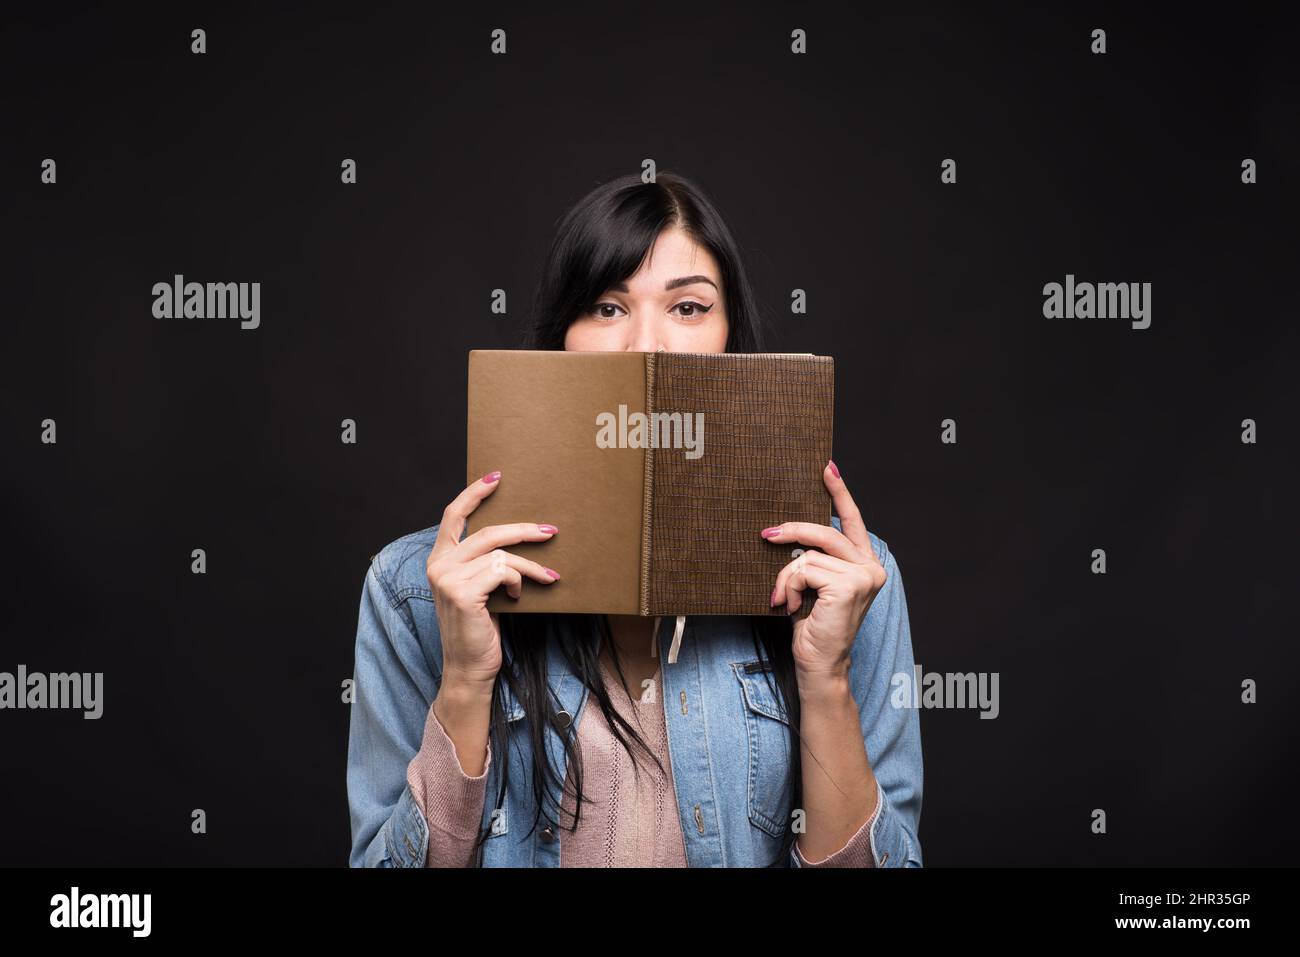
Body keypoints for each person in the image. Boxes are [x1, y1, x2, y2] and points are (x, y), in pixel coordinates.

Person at [346, 171, 923, 867]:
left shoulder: (849, 580)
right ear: (562, 336)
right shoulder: (413, 588)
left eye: (687, 307)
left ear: (731, 335)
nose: (648, 345)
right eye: (607, 307)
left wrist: (825, 677)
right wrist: (467, 678)